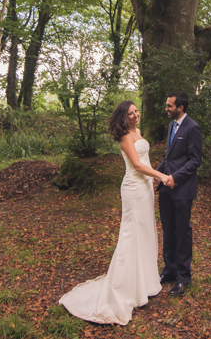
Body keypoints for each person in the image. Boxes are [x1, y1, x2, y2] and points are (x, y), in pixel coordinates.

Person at [59, 101, 171, 325]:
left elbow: (145, 161)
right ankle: (125, 286)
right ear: (123, 117)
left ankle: (145, 283)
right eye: (130, 113)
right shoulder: (125, 139)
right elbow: (138, 166)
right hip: (133, 188)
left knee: (146, 232)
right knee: (132, 234)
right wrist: (161, 176)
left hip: (146, 188)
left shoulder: (138, 132)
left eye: (136, 111)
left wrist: (154, 180)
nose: (135, 115)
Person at [156, 91, 203, 296]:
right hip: (166, 189)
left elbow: (195, 160)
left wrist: (176, 177)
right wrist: (156, 173)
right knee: (168, 230)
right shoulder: (170, 126)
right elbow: (169, 158)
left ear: (180, 108)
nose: (166, 109)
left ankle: (184, 277)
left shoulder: (193, 128)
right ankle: (170, 270)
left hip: (182, 189)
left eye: (169, 106)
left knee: (182, 232)